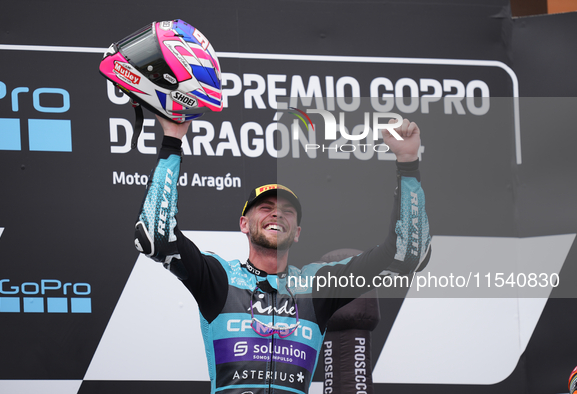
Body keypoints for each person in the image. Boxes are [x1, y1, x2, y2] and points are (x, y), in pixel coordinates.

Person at [133, 115, 431, 394]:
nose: (277, 214)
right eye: (265, 208)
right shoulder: (219, 277)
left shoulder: (318, 286)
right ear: (244, 224)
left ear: (297, 232)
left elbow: (405, 254)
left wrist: (407, 165)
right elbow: (157, 238)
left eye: (287, 211)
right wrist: (172, 140)